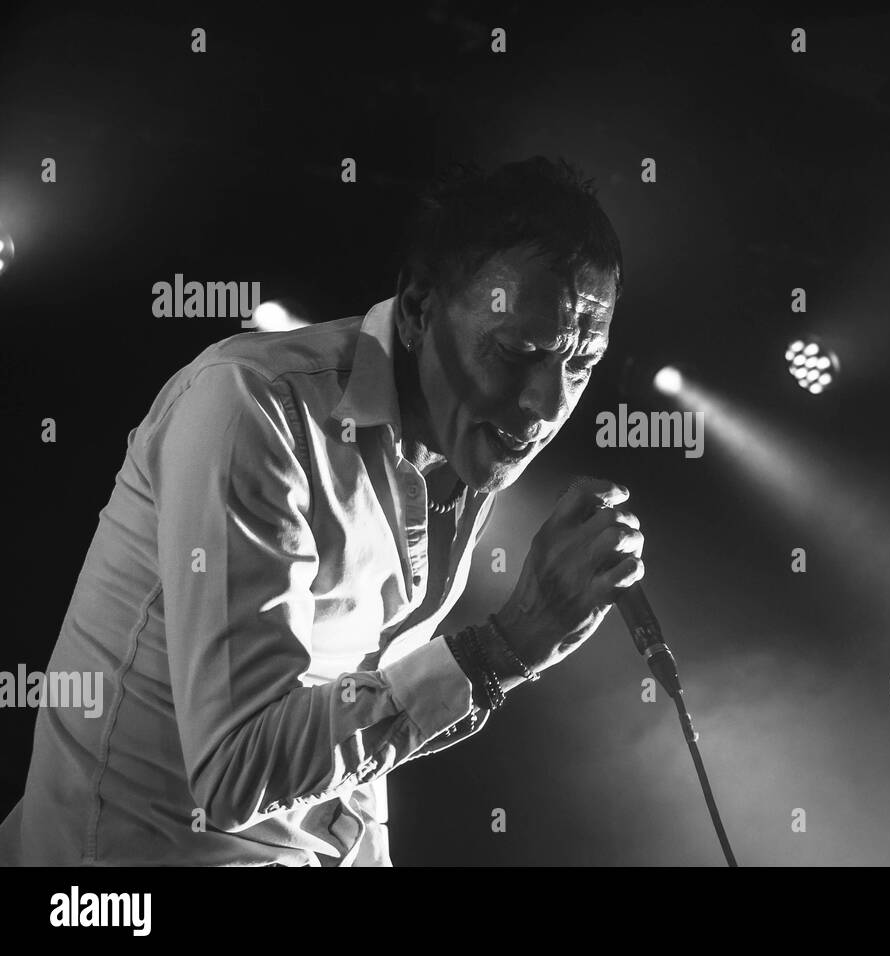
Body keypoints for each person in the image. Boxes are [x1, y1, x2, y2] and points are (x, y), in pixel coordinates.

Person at [0, 156, 643, 865]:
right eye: (519, 351)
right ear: (419, 308)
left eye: (580, 365)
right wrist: (506, 646)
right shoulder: (252, 405)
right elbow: (235, 770)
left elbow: (355, 711)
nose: (549, 405)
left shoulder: (461, 457)